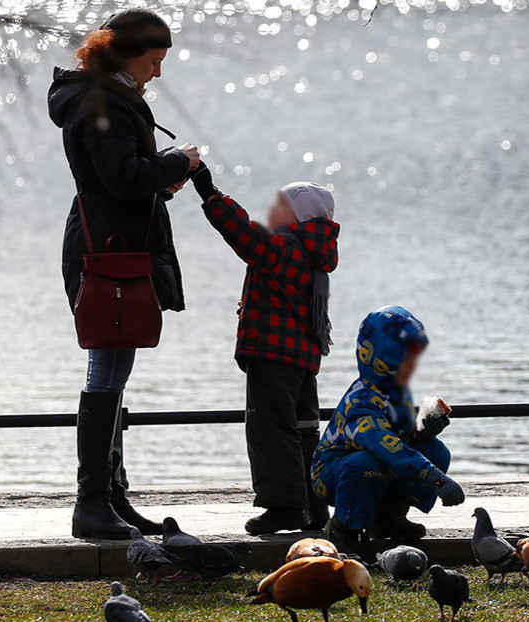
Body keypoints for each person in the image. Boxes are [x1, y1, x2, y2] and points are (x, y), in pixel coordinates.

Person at [48, 9, 200, 539]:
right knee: (107, 374)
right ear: (127, 54)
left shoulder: (104, 96)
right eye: (154, 61)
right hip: (109, 253)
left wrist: (159, 182)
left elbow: (120, 179)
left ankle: (110, 497)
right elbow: (119, 176)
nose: (158, 72)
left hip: (114, 246)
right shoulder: (100, 105)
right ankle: (92, 503)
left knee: (114, 373)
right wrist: (178, 163)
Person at [186, 165, 340, 535]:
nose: (273, 208)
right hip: (304, 358)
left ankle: (285, 508)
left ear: (300, 214)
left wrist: (208, 190)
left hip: (273, 354)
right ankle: (315, 504)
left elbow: (242, 233)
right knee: (304, 429)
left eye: (281, 204)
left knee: (271, 429)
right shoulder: (314, 250)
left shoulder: (285, 246)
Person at [312, 306, 465, 551]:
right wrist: (436, 479)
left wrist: (422, 432)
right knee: (365, 465)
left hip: (376, 463)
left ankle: (388, 517)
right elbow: (386, 446)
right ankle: (344, 526)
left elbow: (401, 437)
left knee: (436, 451)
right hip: (333, 472)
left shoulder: (394, 393)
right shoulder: (362, 401)